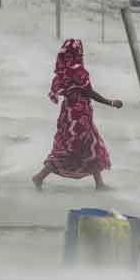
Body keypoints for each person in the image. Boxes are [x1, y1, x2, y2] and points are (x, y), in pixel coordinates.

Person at [32, 39, 123, 191]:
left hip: (68, 113)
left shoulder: (62, 71)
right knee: (73, 148)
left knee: (89, 144)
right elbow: (89, 92)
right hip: (79, 115)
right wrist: (111, 102)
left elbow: (59, 91)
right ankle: (39, 176)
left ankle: (99, 183)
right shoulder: (78, 70)